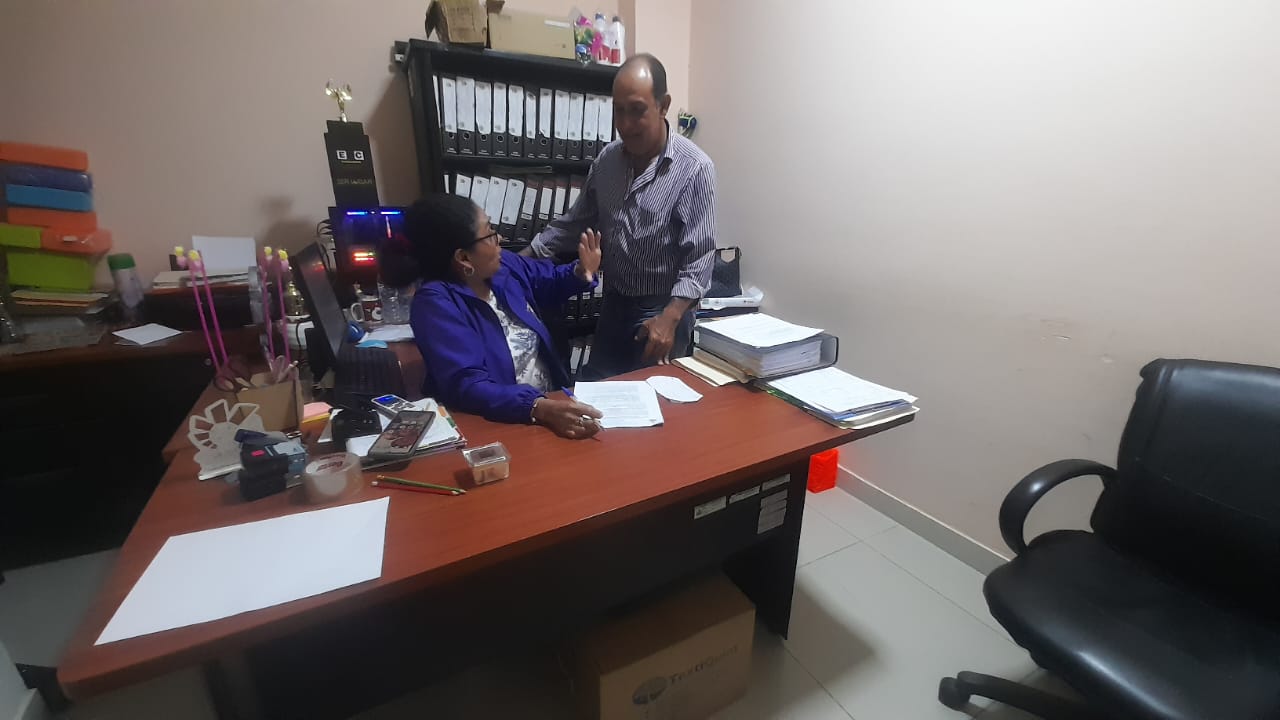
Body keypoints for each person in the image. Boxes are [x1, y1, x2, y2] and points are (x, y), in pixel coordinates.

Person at [528, 53, 716, 379]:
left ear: (663, 105)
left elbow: (699, 260)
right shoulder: (607, 161)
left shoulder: (694, 169)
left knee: (656, 399)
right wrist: (519, 260)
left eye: (637, 110)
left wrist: (670, 318)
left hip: (663, 310)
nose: (625, 125)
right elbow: (576, 222)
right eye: (618, 110)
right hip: (614, 303)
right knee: (600, 391)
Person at [380, 193, 605, 439]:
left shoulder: (503, 265)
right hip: (499, 423)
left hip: (549, 407)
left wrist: (580, 271)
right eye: (489, 233)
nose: (500, 239)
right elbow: (468, 385)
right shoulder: (435, 305)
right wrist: (537, 407)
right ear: (463, 258)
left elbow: (547, 279)